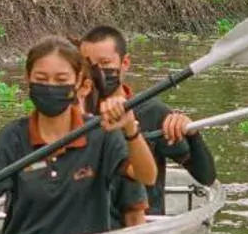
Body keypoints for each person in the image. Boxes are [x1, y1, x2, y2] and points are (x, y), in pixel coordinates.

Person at [0, 37, 158, 234]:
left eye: (61, 79)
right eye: (42, 78)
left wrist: (129, 127)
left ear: (78, 83)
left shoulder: (101, 134)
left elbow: (147, 175)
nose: (50, 87)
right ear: (28, 79)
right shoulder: (12, 138)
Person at [78, 25, 218, 218]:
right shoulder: (74, 114)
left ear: (125, 63)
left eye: (105, 63)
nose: (97, 72)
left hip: (143, 224)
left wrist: (191, 133)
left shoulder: (153, 113)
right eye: (89, 65)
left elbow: (206, 177)